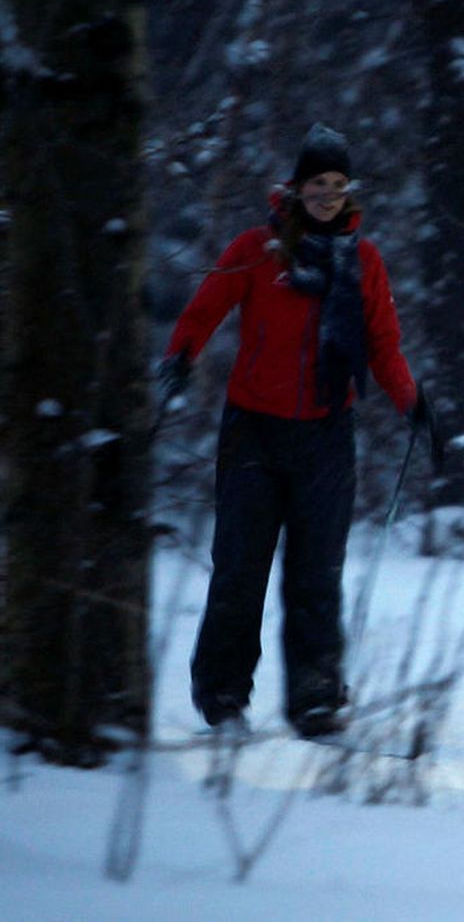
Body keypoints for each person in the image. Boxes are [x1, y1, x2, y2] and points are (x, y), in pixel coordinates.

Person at [157, 123, 437, 738]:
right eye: (317, 185)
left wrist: (411, 403)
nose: (327, 196)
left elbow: (383, 344)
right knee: (240, 567)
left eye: (338, 186)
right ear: (297, 187)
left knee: (316, 573)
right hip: (253, 429)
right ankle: (224, 696)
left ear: (348, 192)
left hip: (326, 432)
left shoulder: (362, 260)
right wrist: (180, 357)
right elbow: (208, 305)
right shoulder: (259, 249)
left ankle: (315, 697)